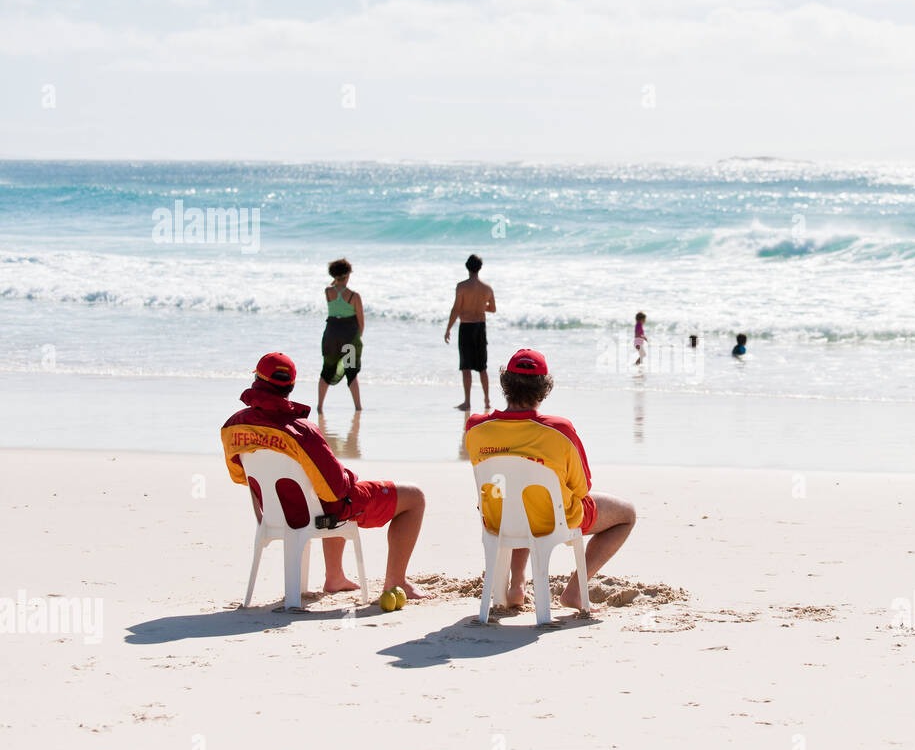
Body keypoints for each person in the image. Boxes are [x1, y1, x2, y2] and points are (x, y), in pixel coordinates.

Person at [222, 352, 426, 600]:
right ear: (291, 386)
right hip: (314, 514)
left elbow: (239, 476)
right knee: (414, 498)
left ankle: (335, 576)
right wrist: (348, 476)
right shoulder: (302, 431)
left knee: (322, 491)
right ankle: (396, 581)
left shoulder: (233, 426)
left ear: (256, 379)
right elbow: (336, 489)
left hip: (275, 512)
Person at [464, 349, 636, 612]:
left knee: (516, 495)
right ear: (545, 388)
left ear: (505, 384)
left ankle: (516, 586)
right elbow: (582, 488)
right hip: (549, 520)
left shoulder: (476, 427)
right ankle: (575, 593)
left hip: (499, 518)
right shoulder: (559, 430)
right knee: (626, 514)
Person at [444, 254, 496, 411]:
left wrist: (448, 328)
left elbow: (456, 309)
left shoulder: (461, 287)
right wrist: (480, 306)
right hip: (480, 328)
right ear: (480, 268)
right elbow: (493, 309)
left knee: (466, 367)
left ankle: (467, 402)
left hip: (466, 328)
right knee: (482, 367)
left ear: (467, 267)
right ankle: (487, 401)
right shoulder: (487, 288)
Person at [318, 258, 363, 413]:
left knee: (326, 371)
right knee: (351, 372)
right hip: (349, 338)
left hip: (331, 336)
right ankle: (358, 407)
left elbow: (334, 288)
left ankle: (320, 406)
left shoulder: (328, 292)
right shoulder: (354, 296)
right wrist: (358, 338)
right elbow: (361, 321)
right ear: (348, 275)